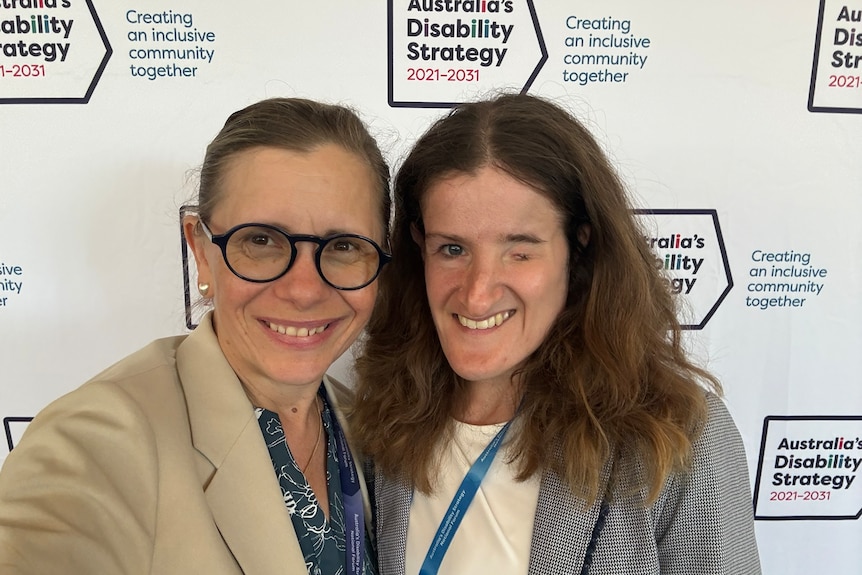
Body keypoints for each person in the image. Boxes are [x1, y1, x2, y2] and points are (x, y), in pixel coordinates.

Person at [349, 93, 761, 575]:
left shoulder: (678, 432)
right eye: (453, 249)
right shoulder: (391, 408)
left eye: (519, 251)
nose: (477, 295)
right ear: (420, 247)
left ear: (579, 246)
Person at [0, 97, 391, 574]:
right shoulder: (98, 441)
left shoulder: (364, 427)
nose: (305, 290)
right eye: (261, 241)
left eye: (344, 246)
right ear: (201, 251)